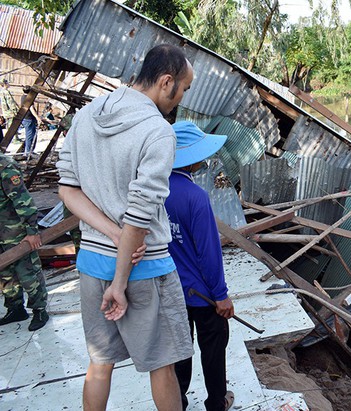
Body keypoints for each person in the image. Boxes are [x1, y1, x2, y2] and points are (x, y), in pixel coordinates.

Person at [57, 43, 195, 411]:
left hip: (91, 264)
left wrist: (112, 234)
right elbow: (138, 216)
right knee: (163, 368)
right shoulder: (158, 131)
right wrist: (120, 281)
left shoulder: (85, 117)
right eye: (183, 88)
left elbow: (68, 188)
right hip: (143, 269)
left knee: (99, 365)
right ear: (166, 83)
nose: (181, 97)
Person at [165, 121, 234, 411]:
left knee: (179, 352)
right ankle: (217, 402)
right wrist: (220, 294)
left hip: (170, 290)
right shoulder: (195, 197)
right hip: (202, 294)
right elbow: (209, 252)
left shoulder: (153, 189)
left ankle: (176, 401)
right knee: (214, 348)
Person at [0, 153, 48, 331]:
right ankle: (15, 308)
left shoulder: (5, 166)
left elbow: (23, 200)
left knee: (27, 272)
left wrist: (32, 230)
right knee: (5, 274)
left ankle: (40, 310)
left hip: (15, 231)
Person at [20, 86, 42, 160]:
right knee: (30, 136)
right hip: (28, 119)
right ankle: (28, 152)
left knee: (31, 135)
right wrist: (37, 117)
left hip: (27, 119)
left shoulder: (23, 97)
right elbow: (31, 108)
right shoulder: (28, 99)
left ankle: (30, 151)